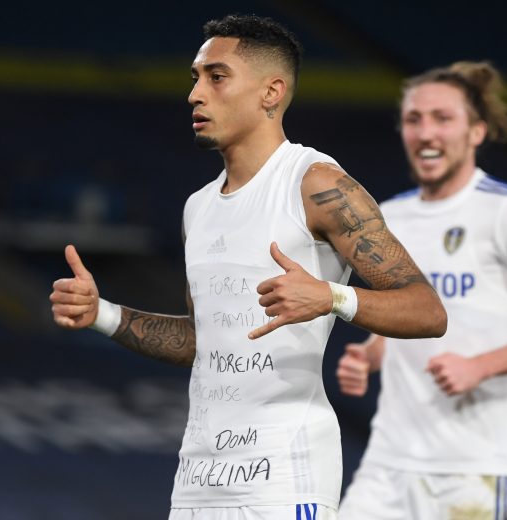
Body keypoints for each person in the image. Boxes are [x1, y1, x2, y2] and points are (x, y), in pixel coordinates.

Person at [50, 14, 446, 520]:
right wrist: (101, 314)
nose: (195, 94)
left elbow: (428, 310)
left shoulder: (317, 185)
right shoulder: (198, 207)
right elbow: (202, 340)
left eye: (216, 77)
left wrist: (332, 297)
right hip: (198, 481)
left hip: (284, 479)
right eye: (195, 78)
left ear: (271, 92)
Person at [336, 61, 507, 519]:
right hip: (387, 464)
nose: (426, 132)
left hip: (471, 472)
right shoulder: (390, 218)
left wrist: (480, 366)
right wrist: (372, 353)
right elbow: (412, 317)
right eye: (414, 119)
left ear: (476, 132)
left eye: (443, 118)